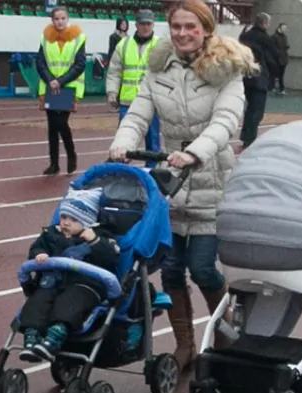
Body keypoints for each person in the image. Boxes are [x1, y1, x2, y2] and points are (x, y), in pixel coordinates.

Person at [107, 0, 257, 371]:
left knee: (203, 267)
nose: (183, 34)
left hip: (211, 180)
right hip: (170, 183)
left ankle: (223, 340)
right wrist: (123, 141)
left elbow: (225, 122)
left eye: (191, 27)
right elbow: (140, 112)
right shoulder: (158, 69)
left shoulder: (227, 72)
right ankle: (185, 345)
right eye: (176, 27)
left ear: (206, 29)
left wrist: (195, 153)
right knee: (171, 269)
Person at [18, 187, 121, 363]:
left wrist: (94, 241)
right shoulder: (51, 234)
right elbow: (37, 247)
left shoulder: (100, 237)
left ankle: (54, 337)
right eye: (64, 216)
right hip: (53, 281)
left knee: (70, 303)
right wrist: (40, 254)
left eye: (73, 219)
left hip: (85, 284)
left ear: (88, 222)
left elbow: (110, 258)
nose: (66, 222)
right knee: (38, 300)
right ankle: (32, 336)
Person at [35, 6, 87, 176]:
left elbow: (80, 64)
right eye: (57, 19)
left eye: (63, 18)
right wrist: (50, 80)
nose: (60, 22)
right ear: (52, 20)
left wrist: (61, 81)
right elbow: (40, 62)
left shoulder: (77, 38)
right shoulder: (46, 38)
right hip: (50, 87)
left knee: (60, 122)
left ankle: (71, 155)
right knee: (52, 126)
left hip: (68, 87)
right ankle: (54, 163)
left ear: (68, 19)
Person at [106, 9, 161, 158]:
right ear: (136, 24)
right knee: (123, 141)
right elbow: (114, 71)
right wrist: (112, 92)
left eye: (148, 24)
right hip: (127, 101)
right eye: (142, 23)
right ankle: (121, 171)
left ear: (153, 24)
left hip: (152, 102)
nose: (145, 27)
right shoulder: (123, 45)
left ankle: (153, 170)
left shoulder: (161, 45)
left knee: (153, 142)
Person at [237, 12, 278, 149]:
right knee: (256, 110)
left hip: (244, 75)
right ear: (265, 23)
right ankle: (249, 138)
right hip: (259, 78)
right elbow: (272, 59)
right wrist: (273, 75)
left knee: (249, 109)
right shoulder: (265, 39)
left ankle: (245, 136)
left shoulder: (244, 36)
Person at [271, 23, 289, 95]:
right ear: (279, 28)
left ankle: (281, 89)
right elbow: (272, 47)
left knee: (281, 74)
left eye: (285, 28)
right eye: (283, 28)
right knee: (276, 74)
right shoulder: (274, 37)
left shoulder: (284, 37)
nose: (285, 30)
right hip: (277, 58)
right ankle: (274, 88)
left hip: (283, 58)